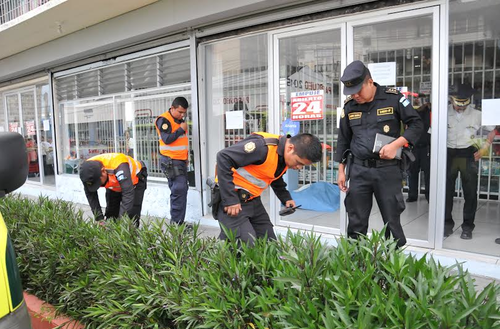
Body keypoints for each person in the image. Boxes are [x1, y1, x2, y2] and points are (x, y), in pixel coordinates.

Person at [334, 60, 423, 248]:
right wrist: (341, 169)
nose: (355, 95)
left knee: (392, 220)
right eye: (351, 92)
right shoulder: (350, 106)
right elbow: (343, 139)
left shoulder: (394, 98)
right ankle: (355, 261)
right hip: (358, 170)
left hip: (387, 170)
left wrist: (397, 144)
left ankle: (393, 264)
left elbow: (416, 124)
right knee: (356, 220)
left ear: (370, 81)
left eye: (359, 90)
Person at [216, 132, 322, 245]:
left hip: (253, 200)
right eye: (298, 162)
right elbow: (223, 156)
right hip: (232, 201)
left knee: (268, 242)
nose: (298, 168)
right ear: (291, 148)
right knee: (245, 245)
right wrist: (230, 200)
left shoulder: (283, 157)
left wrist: (286, 198)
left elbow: (273, 176)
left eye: (303, 166)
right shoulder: (262, 148)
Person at [445, 83, 483, 240]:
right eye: (457, 103)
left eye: (464, 103)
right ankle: (446, 225)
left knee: (470, 193)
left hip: (468, 154)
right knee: (446, 193)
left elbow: (492, 130)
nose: (460, 106)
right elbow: (432, 133)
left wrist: (483, 149)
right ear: (451, 100)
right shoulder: (442, 112)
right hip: (447, 154)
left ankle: (467, 227)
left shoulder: (477, 115)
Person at [79, 153, 147, 227]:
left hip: (135, 181)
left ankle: (131, 235)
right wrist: (99, 218)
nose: (99, 186)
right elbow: (90, 194)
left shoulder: (120, 166)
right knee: (111, 214)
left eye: (98, 183)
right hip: (114, 183)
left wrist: (121, 223)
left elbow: (128, 194)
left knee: (131, 217)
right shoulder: (86, 172)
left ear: (103, 171)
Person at [155, 96, 190, 225]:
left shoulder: (178, 120)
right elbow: (167, 139)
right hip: (171, 161)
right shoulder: (164, 119)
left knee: (181, 191)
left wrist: (185, 159)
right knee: (178, 190)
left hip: (179, 161)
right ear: (172, 108)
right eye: (180, 112)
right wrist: (182, 129)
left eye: (184, 113)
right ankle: (176, 225)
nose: (182, 115)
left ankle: (178, 222)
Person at [406, 102, 431, 202]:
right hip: (415, 147)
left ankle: (428, 195)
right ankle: (413, 195)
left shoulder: (429, 113)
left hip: (425, 147)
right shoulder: (411, 113)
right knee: (413, 172)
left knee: (427, 173)